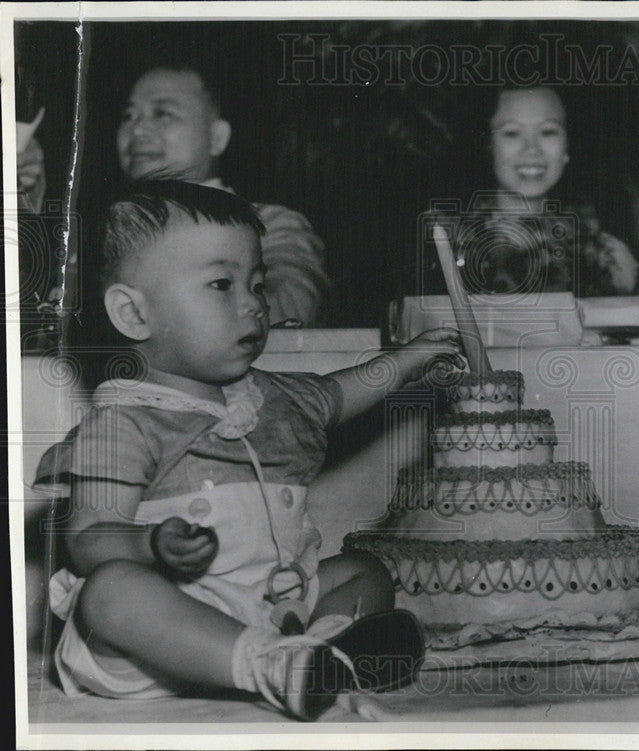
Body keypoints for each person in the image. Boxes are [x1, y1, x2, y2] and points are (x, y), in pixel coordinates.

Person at [34, 181, 464, 721]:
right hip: (162, 642)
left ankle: (319, 650)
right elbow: (88, 538)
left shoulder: (272, 397)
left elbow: (340, 392)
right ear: (133, 314)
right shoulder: (124, 420)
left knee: (365, 571)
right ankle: (272, 665)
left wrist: (408, 360)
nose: (254, 306)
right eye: (222, 284)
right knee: (111, 592)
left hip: (268, 605)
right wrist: (150, 546)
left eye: (257, 285)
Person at [116, 64, 331, 327]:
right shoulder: (107, 230)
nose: (136, 129)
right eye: (128, 115)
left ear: (217, 137)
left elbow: (290, 308)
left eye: (162, 114)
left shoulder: (271, 225)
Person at [448, 86, 639, 297]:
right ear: (488, 145)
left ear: (567, 147)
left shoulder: (603, 254)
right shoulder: (450, 244)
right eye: (512, 133)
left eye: (548, 131)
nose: (532, 149)